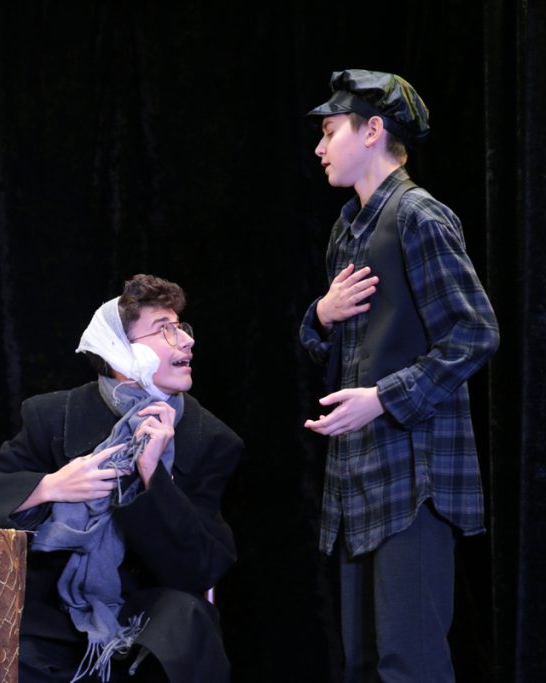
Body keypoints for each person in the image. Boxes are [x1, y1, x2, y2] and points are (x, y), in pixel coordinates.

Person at [0, 274, 241, 682]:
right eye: (164, 330)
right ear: (119, 351)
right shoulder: (56, 417)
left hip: (152, 615)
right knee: (9, 652)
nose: (186, 340)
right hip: (58, 613)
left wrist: (153, 476)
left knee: (183, 637)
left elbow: (199, 569)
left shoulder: (209, 439)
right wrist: (52, 486)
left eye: (181, 327)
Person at [300, 69, 500, 681]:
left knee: (408, 662)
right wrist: (321, 316)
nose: (319, 146)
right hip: (358, 478)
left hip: (412, 478)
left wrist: (383, 399)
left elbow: (474, 332)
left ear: (372, 131)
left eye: (330, 131)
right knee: (362, 662)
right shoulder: (347, 229)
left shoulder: (418, 216)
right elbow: (345, 352)